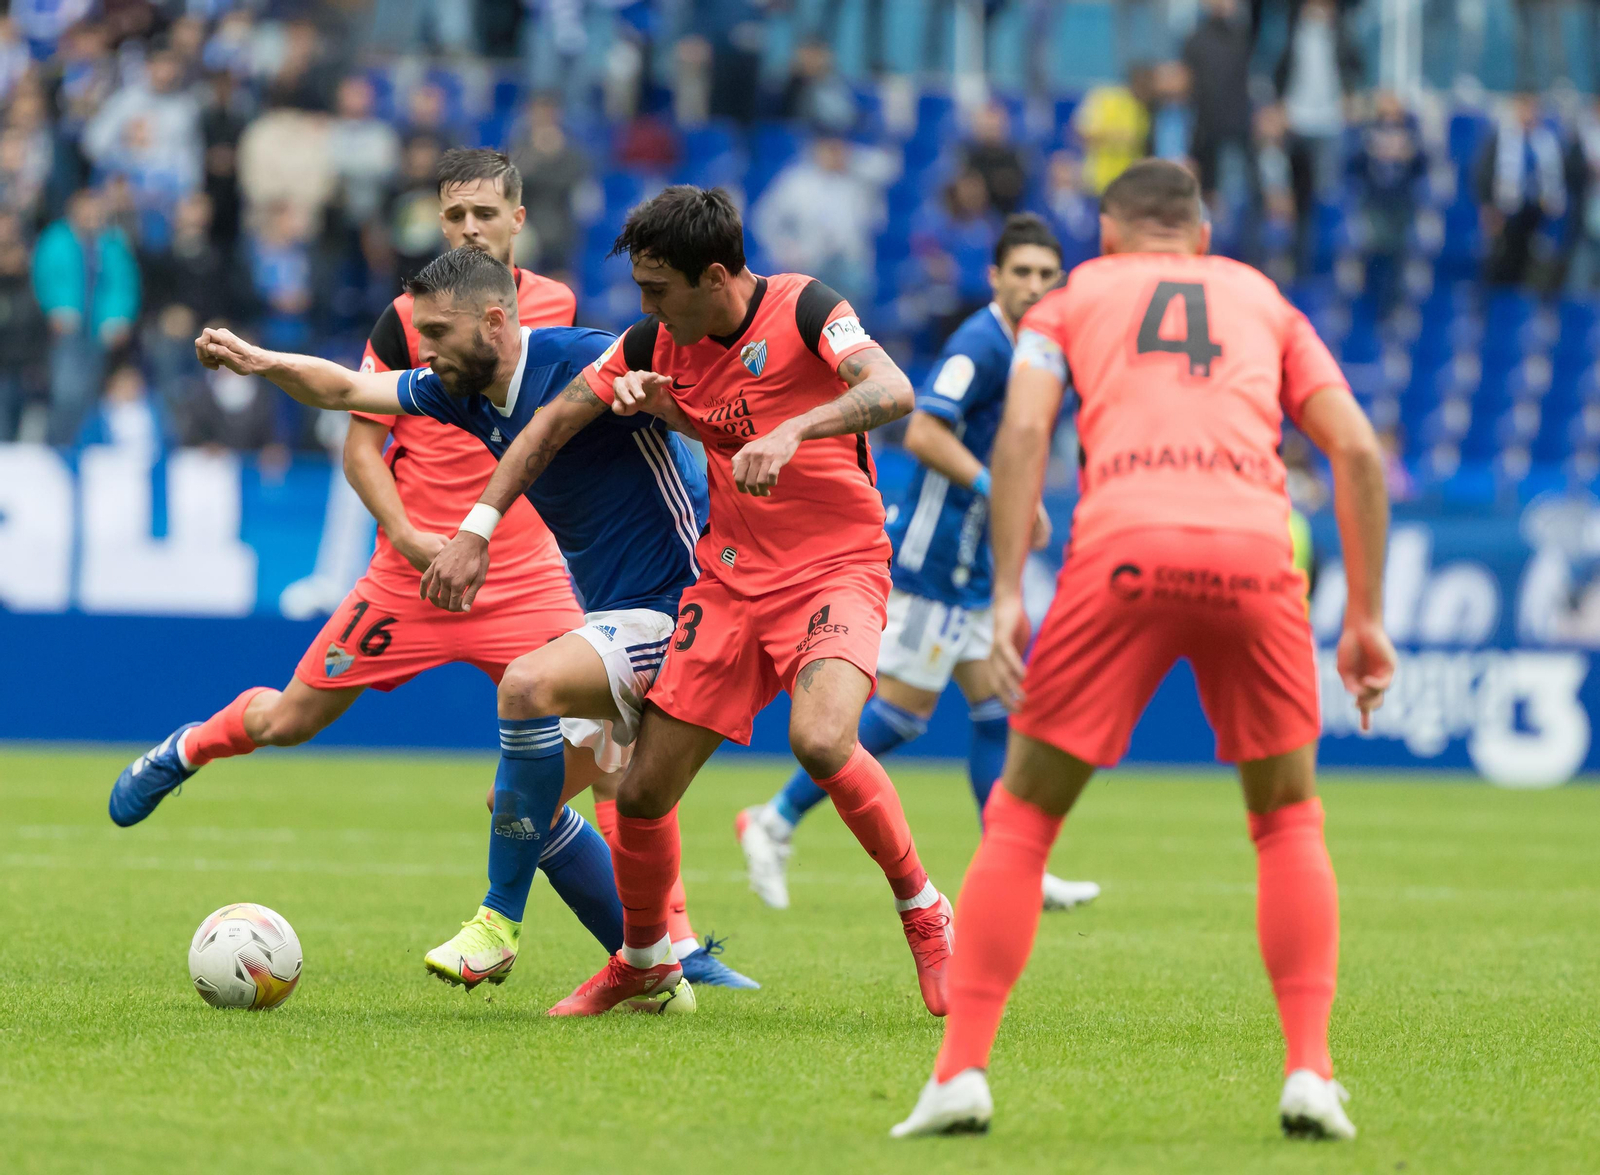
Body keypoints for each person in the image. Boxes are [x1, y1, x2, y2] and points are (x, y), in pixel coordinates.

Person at [106, 151, 754, 994]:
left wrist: (684, 415)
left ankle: (655, 948)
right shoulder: (426, 334)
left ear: (515, 233)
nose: (469, 228)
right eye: (454, 217)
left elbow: (670, 389)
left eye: (484, 214)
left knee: (600, 767)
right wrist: (269, 368)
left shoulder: (571, 330)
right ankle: (189, 746)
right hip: (414, 571)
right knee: (294, 720)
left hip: (533, 577)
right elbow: (352, 402)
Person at [891, 160, 1396, 1141]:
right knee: (1287, 819)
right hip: (1255, 552)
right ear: (1200, 237)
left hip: (1121, 548)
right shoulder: (1262, 297)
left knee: (1025, 817)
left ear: (1109, 236)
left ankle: (959, 1074)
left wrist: (1003, 593)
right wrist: (1365, 616)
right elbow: (1361, 452)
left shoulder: (1071, 298)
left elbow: (1024, 432)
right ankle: (1309, 1072)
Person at [422, 186, 955, 1017]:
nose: (646, 310)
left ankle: (923, 907)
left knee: (820, 740)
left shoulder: (807, 305)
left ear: (714, 276)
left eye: (658, 289)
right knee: (639, 793)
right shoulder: (653, 343)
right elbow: (551, 425)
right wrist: (479, 527)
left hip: (834, 569)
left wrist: (793, 430)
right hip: (732, 583)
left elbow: (892, 391)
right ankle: (644, 961)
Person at [737, 214, 1100, 915]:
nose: (1033, 285)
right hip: (934, 558)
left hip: (969, 563)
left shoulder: (1040, 347)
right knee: (901, 714)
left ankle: (1019, 865)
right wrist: (1002, 494)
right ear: (994, 276)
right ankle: (773, 817)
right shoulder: (981, 345)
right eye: (1020, 271)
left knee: (999, 711)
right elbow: (926, 428)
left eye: (1045, 275)